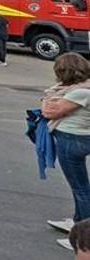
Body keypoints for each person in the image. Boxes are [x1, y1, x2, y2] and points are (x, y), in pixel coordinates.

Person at [42, 53, 90, 249]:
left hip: (72, 139)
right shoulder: (79, 88)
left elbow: (49, 111)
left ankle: (84, 239)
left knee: (80, 188)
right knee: (80, 187)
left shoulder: (81, 92)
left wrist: (46, 103)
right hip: (77, 137)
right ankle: (77, 222)